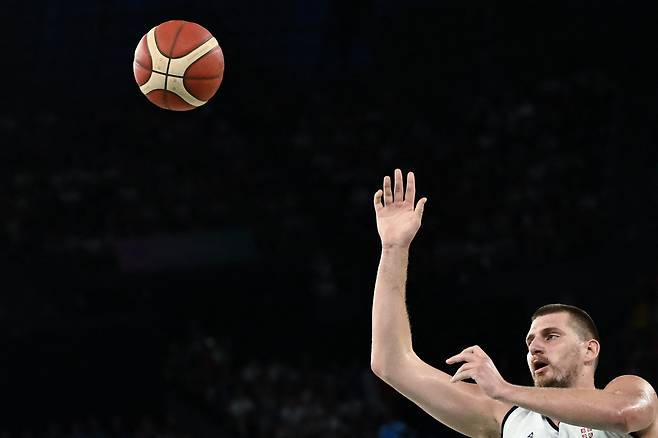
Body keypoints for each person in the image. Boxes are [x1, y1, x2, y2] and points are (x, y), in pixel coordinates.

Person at [370, 169, 657, 438]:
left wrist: (504, 389)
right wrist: (394, 248)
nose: (535, 347)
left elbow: (624, 415)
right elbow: (391, 364)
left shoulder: (627, 389)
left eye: (551, 336)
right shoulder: (506, 416)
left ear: (589, 349)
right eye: (530, 340)